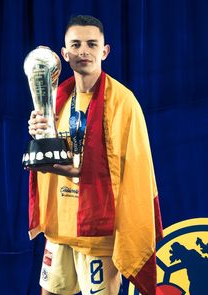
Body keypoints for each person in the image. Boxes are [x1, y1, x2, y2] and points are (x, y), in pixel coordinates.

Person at [27, 15, 163, 295]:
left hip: (98, 233)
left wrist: (58, 167)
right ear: (64, 54)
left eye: (92, 44)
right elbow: (56, 150)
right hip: (60, 229)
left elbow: (127, 172)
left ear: (105, 50)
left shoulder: (123, 103)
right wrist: (38, 132)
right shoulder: (57, 98)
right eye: (75, 45)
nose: (83, 51)